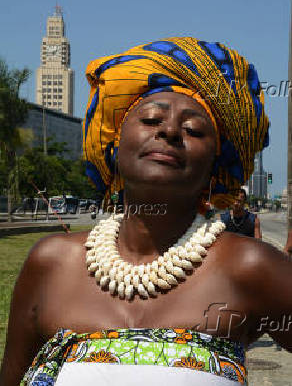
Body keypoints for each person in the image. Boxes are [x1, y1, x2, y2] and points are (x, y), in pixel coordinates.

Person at [1, 37, 292, 386]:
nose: (169, 130)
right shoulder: (50, 262)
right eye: (151, 119)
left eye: (194, 130)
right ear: (114, 143)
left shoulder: (250, 266)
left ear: (216, 164)